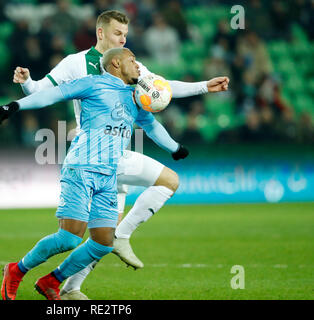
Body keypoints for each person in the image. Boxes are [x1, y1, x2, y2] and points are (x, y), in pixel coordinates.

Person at [12, 10, 229, 300]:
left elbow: (161, 89)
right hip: (94, 152)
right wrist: (26, 82)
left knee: (101, 239)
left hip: (120, 147)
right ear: (100, 32)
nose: (122, 38)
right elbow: (42, 91)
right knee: (168, 181)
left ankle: (70, 286)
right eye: (117, 33)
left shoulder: (132, 65)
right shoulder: (76, 63)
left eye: (125, 34)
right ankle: (120, 238)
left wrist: (203, 86)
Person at [0, 48, 190, 300]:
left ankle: (51, 281)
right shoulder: (93, 84)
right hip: (81, 169)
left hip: (108, 176)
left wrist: (175, 147)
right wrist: (14, 105)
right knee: (68, 238)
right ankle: (15, 271)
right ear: (116, 63)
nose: (139, 66)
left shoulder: (135, 97)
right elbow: (52, 95)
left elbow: (152, 126)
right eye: (132, 61)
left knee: (103, 242)